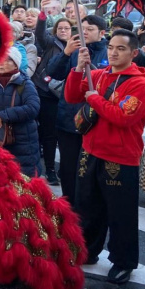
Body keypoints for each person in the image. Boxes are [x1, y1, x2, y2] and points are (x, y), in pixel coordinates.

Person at [65, 28, 145, 285]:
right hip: (90, 151)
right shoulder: (99, 75)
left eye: (121, 48)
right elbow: (71, 96)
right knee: (87, 205)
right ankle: (88, 250)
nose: (113, 52)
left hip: (120, 156)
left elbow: (123, 117)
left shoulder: (139, 83)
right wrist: (79, 69)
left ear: (133, 53)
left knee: (120, 212)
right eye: (111, 47)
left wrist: (94, 99)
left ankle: (123, 261)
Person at [46, 14, 109, 202]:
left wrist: (89, 65)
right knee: (68, 168)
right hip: (69, 119)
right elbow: (53, 73)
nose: (85, 33)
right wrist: (66, 53)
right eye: (82, 29)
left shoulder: (108, 52)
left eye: (90, 29)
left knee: (90, 170)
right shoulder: (74, 50)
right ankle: (69, 209)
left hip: (95, 120)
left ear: (102, 32)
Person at [0, 46, 41, 176]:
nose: (2, 63)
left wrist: (4, 115)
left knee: (22, 181)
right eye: (0, 59)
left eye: (8, 60)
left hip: (22, 142)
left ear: (16, 64)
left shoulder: (24, 84)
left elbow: (33, 108)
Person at [32, 13, 73, 185]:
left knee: (65, 136)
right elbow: (40, 34)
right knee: (50, 135)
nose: (63, 31)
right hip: (47, 93)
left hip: (69, 95)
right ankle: (50, 169)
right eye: (60, 28)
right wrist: (42, 15)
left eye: (67, 28)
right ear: (55, 31)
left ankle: (66, 169)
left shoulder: (79, 46)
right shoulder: (50, 42)